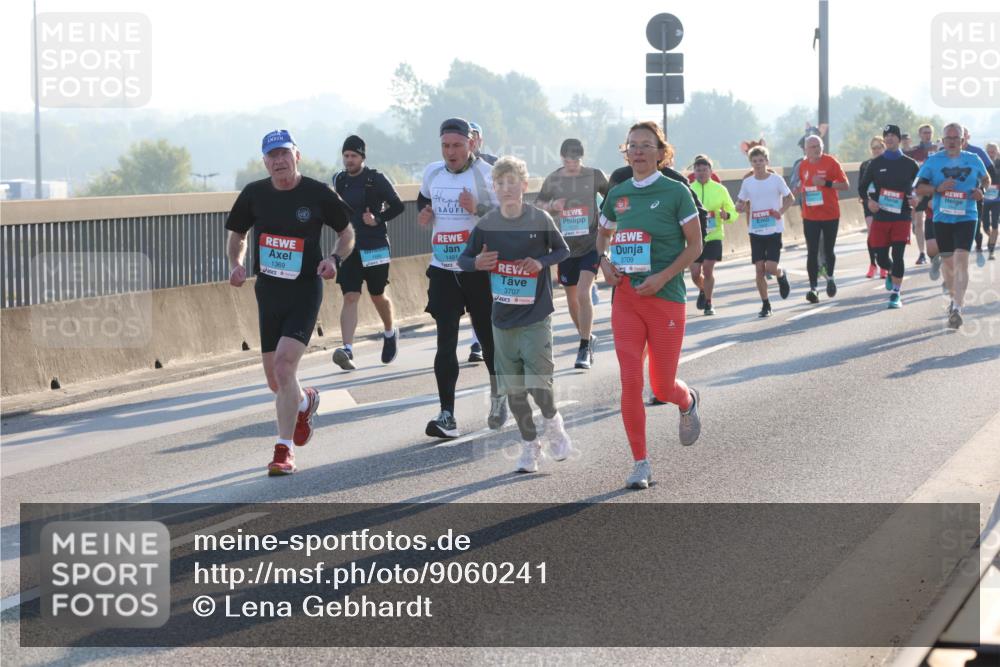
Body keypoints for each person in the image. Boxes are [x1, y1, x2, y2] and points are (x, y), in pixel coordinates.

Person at [225, 130, 354, 476]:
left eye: (284, 154)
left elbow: (347, 233)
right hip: (268, 292)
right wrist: (236, 264)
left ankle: (284, 451)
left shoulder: (317, 193)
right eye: (272, 156)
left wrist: (334, 259)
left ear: (297, 156)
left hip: (304, 290)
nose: (279, 161)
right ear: (265, 161)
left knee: (284, 368)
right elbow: (238, 234)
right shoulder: (254, 194)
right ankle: (305, 400)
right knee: (276, 380)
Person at [597, 121, 703, 490]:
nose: (638, 151)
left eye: (646, 145)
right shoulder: (618, 193)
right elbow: (602, 233)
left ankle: (686, 400)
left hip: (665, 298)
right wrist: (604, 262)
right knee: (630, 380)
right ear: (626, 152)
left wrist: (663, 277)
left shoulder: (676, 192)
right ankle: (641, 463)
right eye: (632, 145)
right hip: (627, 298)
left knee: (661, 387)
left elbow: (695, 246)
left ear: (660, 152)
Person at [458, 156, 572, 472]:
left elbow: (563, 250)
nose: (506, 188)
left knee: (539, 386)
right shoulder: (487, 224)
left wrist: (540, 263)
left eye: (512, 182)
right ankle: (530, 445)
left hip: (536, 316)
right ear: (494, 188)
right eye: (500, 183)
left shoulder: (539, 219)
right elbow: (464, 260)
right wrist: (477, 263)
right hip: (503, 319)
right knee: (515, 392)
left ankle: (553, 422)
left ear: (523, 186)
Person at [418, 117, 506, 438]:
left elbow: (509, 217)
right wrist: (425, 211)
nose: (451, 152)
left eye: (457, 145)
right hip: (443, 269)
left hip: (478, 271)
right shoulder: (432, 172)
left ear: (471, 143)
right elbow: (424, 198)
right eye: (445, 146)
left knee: (488, 339)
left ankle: (499, 397)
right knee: (446, 342)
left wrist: (478, 208)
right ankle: (447, 415)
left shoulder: (487, 174)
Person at [330, 135, 405, 370]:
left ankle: (390, 332)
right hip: (350, 247)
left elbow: (398, 206)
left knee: (377, 294)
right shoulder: (339, 180)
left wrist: (377, 218)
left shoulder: (376, 179)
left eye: (353, 156)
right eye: (346, 156)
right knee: (350, 296)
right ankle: (347, 349)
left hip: (375, 246)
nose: (349, 160)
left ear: (362, 157)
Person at [535, 138, 610, 369]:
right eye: (568, 160)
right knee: (572, 299)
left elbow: (612, 197)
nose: (572, 164)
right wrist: (552, 206)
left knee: (583, 293)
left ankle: (584, 347)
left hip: (591, 244)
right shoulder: (554, 179)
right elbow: (538, 204)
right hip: (565, 248)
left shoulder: (594, 175)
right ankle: (586, 336)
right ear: (562, 158)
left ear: (582, 158)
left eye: (576, 160)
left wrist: (607, 226)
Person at [915, 122, 991, 329]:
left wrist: (981, 191)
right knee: (948, 264)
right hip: (942, 218)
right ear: (942, 140)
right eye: (947, 138)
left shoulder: (973, 159)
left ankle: (957, 307)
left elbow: (986, 179)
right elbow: (919, 187)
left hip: (967, 216)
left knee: (961, 261)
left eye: (955, 138)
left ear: (962, 140)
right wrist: (937, 188)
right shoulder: (933, 161)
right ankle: (953, 299)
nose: (951, 142)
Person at [858, 124, 920, 309]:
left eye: (893, 135)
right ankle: (891, 271)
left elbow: (921, 186)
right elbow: (862, 187)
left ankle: (896, 294)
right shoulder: (875, 164)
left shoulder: (910, 164)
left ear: (899, 139)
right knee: (881, 259)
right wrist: (868, 201)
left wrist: (917, 199)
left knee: (898, 254)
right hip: (881, 216)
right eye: (887, 135)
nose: (890, 138)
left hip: (902, 216)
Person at [736, 145, 794, 317]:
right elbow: (740, 201)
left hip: (774, 229)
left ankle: (781, 274)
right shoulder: (748, 182)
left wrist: (780, 212)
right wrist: (739, 206)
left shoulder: (776, 180)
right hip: (756, 230)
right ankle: (766, 304)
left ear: (767, 161)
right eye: (755, 161)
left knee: (771, 267)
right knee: (759, 269)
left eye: (761, 160)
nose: (758, 164)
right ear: (751, 163)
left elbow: (790, 198)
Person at [797, 135, 850, 303]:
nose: (816, 149)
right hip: (810, 215)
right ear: (806, 150)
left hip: (830, 214)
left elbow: (845, 185)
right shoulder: (803, 165)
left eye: (818, 146)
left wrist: (826, 183)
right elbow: (802, 184)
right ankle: (813, 288)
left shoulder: (831, 162)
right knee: (812, 251)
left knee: (828, 249)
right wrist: (800, 190)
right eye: (812, 147)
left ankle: (831, 278)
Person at [689, 155, 738, 315]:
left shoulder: (720, 189)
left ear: (710, 171)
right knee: (695, 273)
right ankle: (703, 289)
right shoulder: (688, 189)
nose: (701, 173)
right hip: (694, 237)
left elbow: (733, 212)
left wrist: (727, 215)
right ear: (694, 172)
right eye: (698, 170)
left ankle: (709, 303)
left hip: (714, 235)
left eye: (705, 170)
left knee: (708, 269)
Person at [961, 127, 998, 265]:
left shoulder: (977, 152)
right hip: (954, 197)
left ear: (967, 136)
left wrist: (981, 187)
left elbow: (991, 173)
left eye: (963, 134)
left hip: (977, 196)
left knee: (979, 225)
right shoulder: (945, 153)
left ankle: (982, 247)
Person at [905, 123, 941, 265]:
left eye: (929, 132)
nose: (927, 135)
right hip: (919, 190)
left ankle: (937, 247)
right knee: (919, 222)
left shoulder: (938, 149)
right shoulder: (914, 152)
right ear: (920, 134)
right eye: (924, 132)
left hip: (934, 189)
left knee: (936, 219)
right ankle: (921, 253)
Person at [859, 137, 887, 278]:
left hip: (885, 202)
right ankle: (872, 264)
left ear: (884, 148)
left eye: (879, 147)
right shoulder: (865, 165)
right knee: (871, 233)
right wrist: (864, 198)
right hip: (869, 202)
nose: (876, 150)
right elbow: (861, 185)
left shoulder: (889, 163)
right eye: (874, 148)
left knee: (884, 234)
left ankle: (884, 265)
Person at [984, 142, 1000, 260]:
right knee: (985, 226)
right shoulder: (982, 163)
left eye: (993, 151)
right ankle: (992, 237)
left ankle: (991, 250)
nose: (991, 153)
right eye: (989, 151)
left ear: (997, 152)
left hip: (997, 199)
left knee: (994, 223)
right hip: (984, 199)